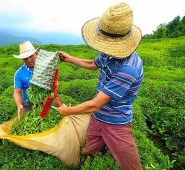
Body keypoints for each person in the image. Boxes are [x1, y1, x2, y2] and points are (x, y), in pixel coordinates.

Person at [57, 3, 143, 170]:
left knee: (131, 166)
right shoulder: (109, 54)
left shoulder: (128, 68)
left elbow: (96, 103)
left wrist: (67, 111)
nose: (104, 48)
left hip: (116, 122)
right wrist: (70, 59)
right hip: (97, 117)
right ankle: (89, 163)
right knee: (90, 149)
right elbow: (93, 64)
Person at [13, 40, 39, 120]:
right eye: (25, 58)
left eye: (31, 56)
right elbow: (17, 91)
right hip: (27, 103)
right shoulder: (19, 73)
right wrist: (19, 105)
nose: (29, 60)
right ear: (22, 59)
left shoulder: (45, 68)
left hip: (45, 103)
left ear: (36, 54)